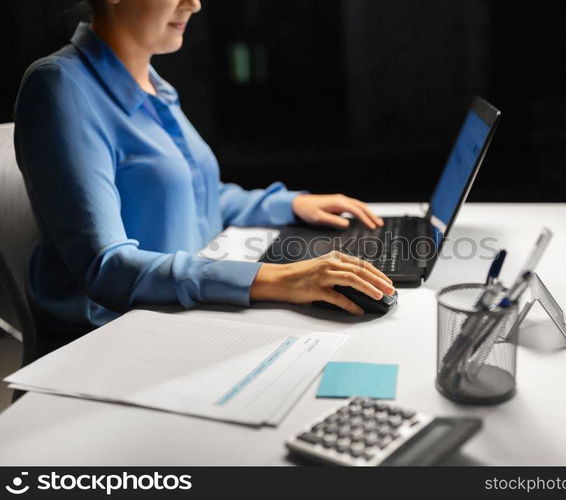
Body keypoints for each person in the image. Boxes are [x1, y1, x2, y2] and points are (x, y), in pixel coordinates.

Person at [14, 0, 394, 361]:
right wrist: (277, 278)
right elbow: (107, 267)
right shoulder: (60, 86)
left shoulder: (154, 87)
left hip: (182, 317)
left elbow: (198, 197)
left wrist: (288, 204)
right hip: (109, 343)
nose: (193, 4)